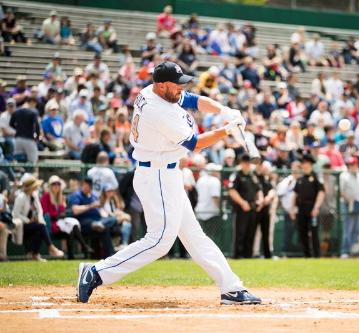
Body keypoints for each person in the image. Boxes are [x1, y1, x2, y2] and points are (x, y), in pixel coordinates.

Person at [77, 61, 261, 305]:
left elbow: (193, 100)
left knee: (194, 235)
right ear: (161, 85)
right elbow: (195, 144)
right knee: (160, 240)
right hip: (157, 176)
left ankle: (231, 288)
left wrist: (223, 110)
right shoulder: (158, 111)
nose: (180, 89)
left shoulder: (156, 91)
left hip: (167, 174)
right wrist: (226, 131)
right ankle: (97, 272)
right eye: (176, 85)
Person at [13, 175, 64, 261]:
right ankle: (50, 247)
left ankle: (34, 255)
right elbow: (15, 214)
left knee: (41, 228)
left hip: (32, 225)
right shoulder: (20, 197)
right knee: (41, 227)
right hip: (22, 226)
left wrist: (40, 220)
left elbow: (40, 210)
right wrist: (28, 220)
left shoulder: (34, 195)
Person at [41, 175, 93, 259]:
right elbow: (45, 212)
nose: (56, 186)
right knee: (71, 227)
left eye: (58, 184)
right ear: (50, 186)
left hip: (60, 221)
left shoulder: (60, 197)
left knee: (73, 225)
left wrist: (62, 214)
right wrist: (57, 215)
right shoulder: (46, 196)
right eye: (54, 184)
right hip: (52, 223)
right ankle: (83, 246)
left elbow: (62, 211)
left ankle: (72, 255)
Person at [69, 177, 116, 258]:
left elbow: (100, 210)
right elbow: (75, 210)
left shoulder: (94, 196)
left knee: (111, 221)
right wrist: (90, 206)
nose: (89, 188)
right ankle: (111, 254)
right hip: (84, 223)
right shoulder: (77, 195)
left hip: (98, 220)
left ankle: (110, 256)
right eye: (87, 185)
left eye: (90, 186)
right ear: (83, 185)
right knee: (101, 227)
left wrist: (107, 215)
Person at [228, 153, 263, 259]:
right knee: (240, 232)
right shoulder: (236, 175)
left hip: (252, 207)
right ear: (241, 163)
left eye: (249, 162)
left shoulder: (252, 176)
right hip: (241, 208)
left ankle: (248, 255)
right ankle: (237, 255)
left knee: (251, 232)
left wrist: (260, 200)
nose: (247, 165)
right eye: (245, 162)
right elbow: (232, 190)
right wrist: (242, 203)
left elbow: (259, 189)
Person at [290, 154, 325, 258]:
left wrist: (316, 207)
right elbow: (295, 194)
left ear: (310, 164)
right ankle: (307, 255)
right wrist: (292, 209)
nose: (304, 165)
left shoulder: (316, 177)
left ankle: (316, 255)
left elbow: (321, 192)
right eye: (303, 163)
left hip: (312, 208)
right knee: (302, 232)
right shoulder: (300, 179)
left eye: (306, 163)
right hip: (301, 208)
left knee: (314, 232)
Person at [339, 157, 359, 258]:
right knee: (347, 229)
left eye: (354, 164)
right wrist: (349, 201)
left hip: (358, 203)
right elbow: (342, 191)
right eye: (350, 165)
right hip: (347, 203)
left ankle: (354, 250)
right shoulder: (344, 176)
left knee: (357, 229)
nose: (352, 167)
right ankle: (345, 251)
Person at [276, 161, 300, 256]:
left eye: (298, 167)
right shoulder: (287, 181)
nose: (296, 169)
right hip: (288, 212)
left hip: (300, 212)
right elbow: (279, 194)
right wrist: (290, 210)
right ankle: (285, 253)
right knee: (288, 234)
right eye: (294, 167)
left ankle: (300, 254)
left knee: (301, 235)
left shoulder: (302, 179)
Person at [99, 184, 132, 251]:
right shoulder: (101, 202)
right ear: (104, 192)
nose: (110, 193)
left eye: (111, 191)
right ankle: (122, 244)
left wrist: (118, 214)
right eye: (108, 191)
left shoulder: (112, 201)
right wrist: (115, 215)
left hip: (115, 222)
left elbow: (119, 211)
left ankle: (123, 244)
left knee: (127, 223)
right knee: (125, 219)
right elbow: (105, 215)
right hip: (106, 222)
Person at [195, 163, 222, 243]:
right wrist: (220, 209)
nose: (218, 173)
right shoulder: (215, 181)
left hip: (200, 211)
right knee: (211, 238)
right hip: (212, 213)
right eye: (216, 171)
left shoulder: (200, 179)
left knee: (201, 238)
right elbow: (215, 197)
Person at [253, 160, 275, 259]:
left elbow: (272, 190)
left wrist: (269, 197)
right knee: (253, 233)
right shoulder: (253, 177)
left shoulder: (266, 180)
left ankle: (267, 254)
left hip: (265, 209)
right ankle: (253, 253)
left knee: (266, 233)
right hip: (255, 209)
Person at [9, 97, 40, 163]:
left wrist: (18, 129)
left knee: (18, 160)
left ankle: (21, 172)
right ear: (31, 103)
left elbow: (11, 124)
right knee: (33, 160)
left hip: (18, 139)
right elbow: (37, 127)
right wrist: (37, 138)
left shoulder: (16, 112)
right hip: (29, 139)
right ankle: (32, 173)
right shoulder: (33, 112)